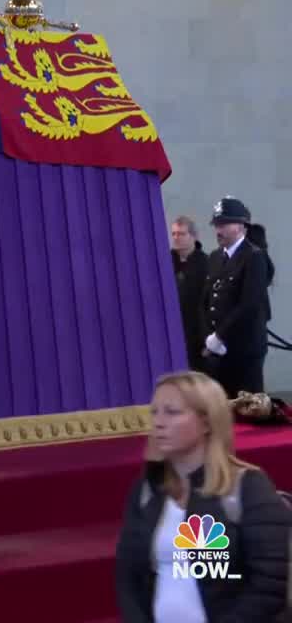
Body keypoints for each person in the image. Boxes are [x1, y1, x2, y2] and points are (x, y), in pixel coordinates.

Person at [115, 371, 292, 622]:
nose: (158, 422)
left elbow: (270, 586)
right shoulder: (147, 490)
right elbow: (128, 579)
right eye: (154, 412)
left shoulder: (249, 487)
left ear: (207, 422)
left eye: (172, 412)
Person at [200, 197, 271, 396]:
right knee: (220, 412)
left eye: (223, 224)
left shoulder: (254, 257)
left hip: (244, 351)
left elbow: (249, 304)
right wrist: (209, 337)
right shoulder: (215, 257)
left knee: (247, 413)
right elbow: (206, 300)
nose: (218, 230)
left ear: (240, 226)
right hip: (217, 351)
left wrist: (220, 336)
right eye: (216, 224)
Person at [170, 215, 208, 372]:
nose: (176, 238)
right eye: (174, 234)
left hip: (196, 331)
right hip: (172, 327)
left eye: (181, 234)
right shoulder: (166, 260)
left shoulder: (205, 262)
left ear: (193, 236)